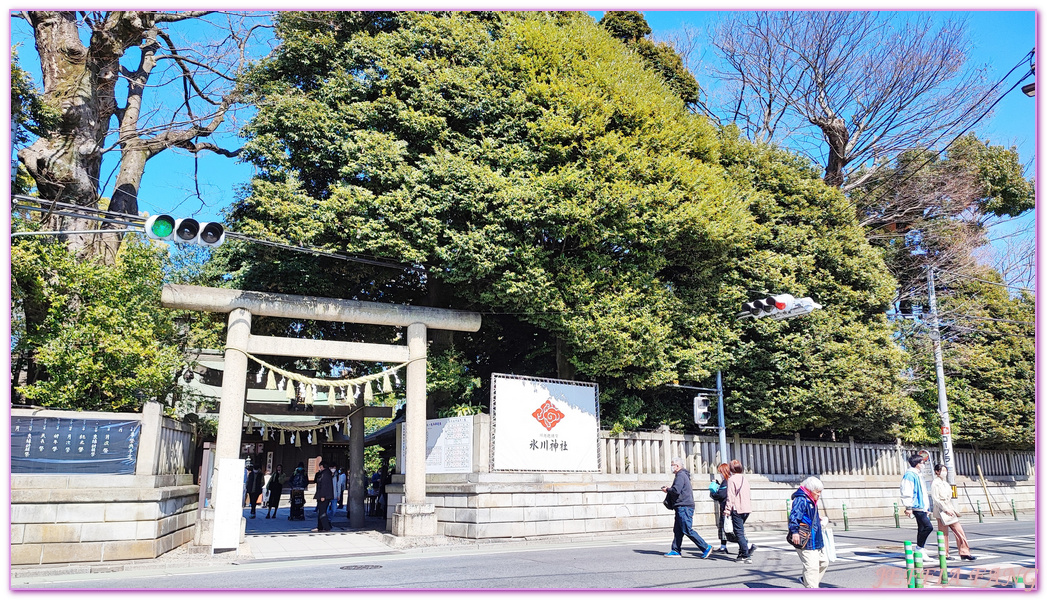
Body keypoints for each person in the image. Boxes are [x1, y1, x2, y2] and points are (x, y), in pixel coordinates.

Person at [660, 457, 713, 559]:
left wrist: (667, 489)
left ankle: (706, 547)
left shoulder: (680, 475)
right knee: (678, 530)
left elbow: (676, 490)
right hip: (681, 506)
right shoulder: (682, 475)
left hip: (684, 506)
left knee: (687, 529)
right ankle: (675, 550)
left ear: (678, 466)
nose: (671, 467)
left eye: (672, 465)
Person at [930, 463, 977, 561]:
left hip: (950, 509)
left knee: (959, 531)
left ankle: (964, 552)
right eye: (942, 470)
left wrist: (950, 509)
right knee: (943, 534)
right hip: (941, 511)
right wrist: (945, 509)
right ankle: (944, 554)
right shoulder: (935, 483)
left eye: (945, 470)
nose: (944, 472)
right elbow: (936, 498)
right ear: (937, 472)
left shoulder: (946, 483)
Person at [789, 476, 828, 588]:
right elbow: (794, 517)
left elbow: (808, 515)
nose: (819, 494)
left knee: (823, 562)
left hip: (815, 538)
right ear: (810, 490)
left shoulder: (811, 499)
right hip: (806, 539)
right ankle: (811, 586)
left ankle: (807, 580)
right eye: (817, 492)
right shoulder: (801, 500)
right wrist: (795, 532)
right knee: (812, 568)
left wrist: (818, 518)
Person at [900, 453, 934, 561]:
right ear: (917, 464)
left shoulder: (918, 474)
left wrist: (926, 508)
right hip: (916, 506)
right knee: (928, 527)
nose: (923, 465)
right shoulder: (910, 475)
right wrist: (908, 506)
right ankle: (919, 549)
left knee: (922, 528)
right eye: (922, 463)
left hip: (921, 506)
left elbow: (923, 492)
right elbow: (907, 490)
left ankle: (920, 550)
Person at [723, 459, 756, 563]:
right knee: (740, 531)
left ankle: (746, 555)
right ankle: (742, 553)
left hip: (737, 508)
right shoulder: (744, 479)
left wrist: (727, 509)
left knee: (739, 533)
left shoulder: (731, 480)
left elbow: (730, 496)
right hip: (747, 508)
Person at [709, 462, 731, 554]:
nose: (720, 474)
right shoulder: (726, 482)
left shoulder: (727, 482)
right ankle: (723, 547)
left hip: (726, 509)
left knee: (729, 529)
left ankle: (746, 546)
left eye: (721, 472)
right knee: (724, 528)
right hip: (725, 508)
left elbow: (721, 494)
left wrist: (713, 492)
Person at [313, 460, 334, 532]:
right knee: (320, 511)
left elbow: (324, 486)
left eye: (321, 467)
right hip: (322, 495)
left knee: (322, 512)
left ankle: (326, 527)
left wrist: (323, 496)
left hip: (324, 496)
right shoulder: (323, 473)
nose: (320, 468)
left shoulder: (326, 474)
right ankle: (320, 527)